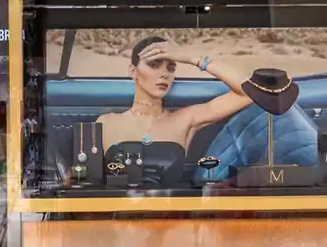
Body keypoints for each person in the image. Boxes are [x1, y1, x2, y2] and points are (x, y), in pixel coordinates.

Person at [95, 35, 253, 184]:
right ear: (133, 71)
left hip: (171, 204)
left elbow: (249, 92)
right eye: (154, 65)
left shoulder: (186, 119)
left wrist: (193, 58)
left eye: (170, 68)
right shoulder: (107, 122)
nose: (164, 74)